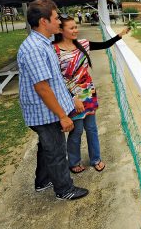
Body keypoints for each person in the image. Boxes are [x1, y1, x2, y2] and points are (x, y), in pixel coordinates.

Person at [17, 0, 89, 200]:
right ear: (43, 21)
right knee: (56, 151)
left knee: (46, 147)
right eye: (56, 18)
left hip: (50, 110)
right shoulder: (34, 48)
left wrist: (70, 98)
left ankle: (43, 181)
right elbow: (42, 87)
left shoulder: (44, 43)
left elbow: (55, 80)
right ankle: (64, 190)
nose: (60, 22)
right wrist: (62, 116)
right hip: (45, 113)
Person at [53, 15, 129, 173]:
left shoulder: (83, 44)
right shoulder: (54, 50)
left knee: (92, 128)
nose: (76, 30)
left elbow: (105, 45)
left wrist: (119, 35)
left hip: (88, 92)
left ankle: (96, 158)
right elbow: (56, 79)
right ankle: (74, 162)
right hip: (71, 97)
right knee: (77, 130)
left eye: (76, 27)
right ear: (61, 30)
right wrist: (73, 98)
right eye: (71, 28)